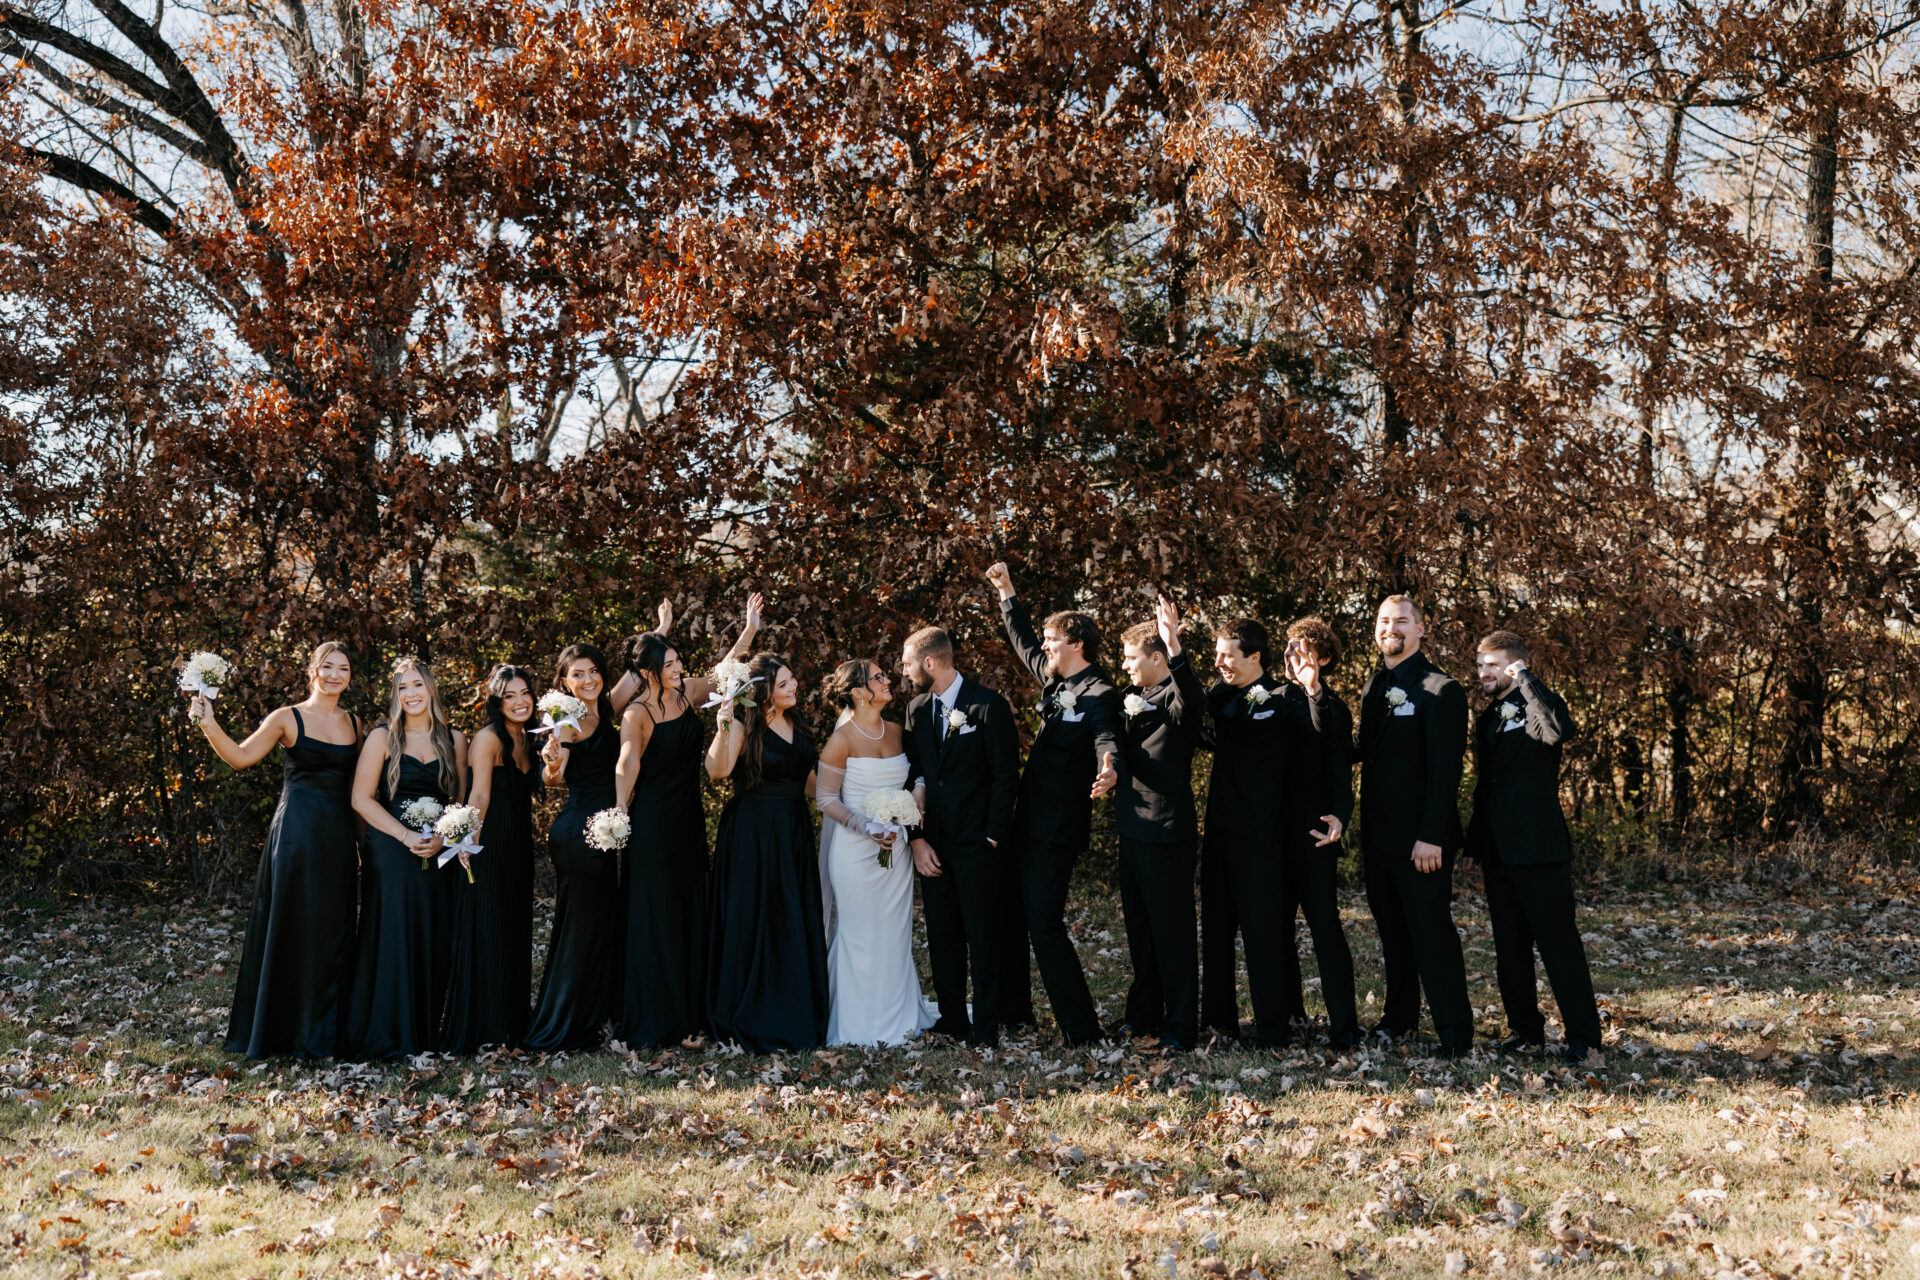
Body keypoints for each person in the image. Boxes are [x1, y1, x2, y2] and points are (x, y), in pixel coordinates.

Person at [191, 641, 361, 1060]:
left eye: (343, 668)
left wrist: (361, 844)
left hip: (338, 835)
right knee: (291, 922)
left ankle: (323, 1033)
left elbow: (359, 792)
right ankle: (278, 1031)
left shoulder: (356, 724)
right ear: (313, 671)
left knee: (332, 928)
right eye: (328, 666)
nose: (336, 674)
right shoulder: (287, 717)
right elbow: (241, 757)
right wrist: (209, 724)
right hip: (297, 834)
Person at [612, 594, 762, 1048]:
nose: (679, 669)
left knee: (688, 910)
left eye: (679, 662)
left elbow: (724, 670)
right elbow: (627, 763)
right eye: (671, 663)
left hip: (688, 819)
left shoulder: (685, 694)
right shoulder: (637, 712)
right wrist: (620, 808)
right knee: (656, 915)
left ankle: (692, 1014)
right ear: (648, 672)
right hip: (653, 825)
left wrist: (750, 627)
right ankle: (656, 1018)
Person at [984, 561, 1121, 1045]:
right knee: (1013, 918)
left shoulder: (1100, 691)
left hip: (1058, 828)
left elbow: (1106, 734)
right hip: (1027, 821)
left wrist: (1109, 765)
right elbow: (1023, 642)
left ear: (1076, 643)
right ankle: (1016, 1014)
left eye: (1053, 641)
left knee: (1044, 924)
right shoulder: (1057, 682)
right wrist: (1007, 593)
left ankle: (1082, 1031)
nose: (1045, 648)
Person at [1465, 630, 1604, 1068]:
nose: (1484, 672)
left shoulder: (1539, 703)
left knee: (1559, 945)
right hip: (1499, 853)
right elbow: (1485, 786)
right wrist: (1474, 844)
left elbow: (1556, 733)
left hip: (1539, 848)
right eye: (1481, 665)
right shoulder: (1487, 718)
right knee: (1510, 949)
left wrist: (1525, 679)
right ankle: (1526, 1032)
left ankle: (1585, 1038)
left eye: (1495, 664)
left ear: (1516, 665)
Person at [1353, 595, 1474, 1057]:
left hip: (1421, 841)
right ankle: (1398, 1020)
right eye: (1384, 621)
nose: (1391, 628)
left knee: (1432, 934)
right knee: (1393, 934)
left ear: (1421, 629)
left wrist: (1432, 835)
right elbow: (1362, 748)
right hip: (1379, 837)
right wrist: (1312, 700)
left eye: (1401, 621)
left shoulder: (1441, 689)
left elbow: (1446, 773)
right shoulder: (1375, 685)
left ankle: (1455, 1034)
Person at [901, 625, 1021, 1046]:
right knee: (941, 933)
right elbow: (913, 777)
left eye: (907, 662)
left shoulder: (988, 706)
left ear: (929, 663)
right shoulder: (916, 709)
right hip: (932, 844)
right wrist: (916, 838)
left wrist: (992, 837)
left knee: (983, 936)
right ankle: (953, 1018)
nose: (904, 670)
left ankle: (987, 1026)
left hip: (977, 845)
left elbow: (1006, 777)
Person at [704, 652, 830, 1051]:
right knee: (753, 914)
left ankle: (792, 1004)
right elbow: (717, 771)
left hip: (792, 829)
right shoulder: (742, 726)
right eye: (784, 683)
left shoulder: (798, 723)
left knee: (789, 913)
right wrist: (723, 728)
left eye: (792, 679)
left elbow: (811, 781)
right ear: (764, 692)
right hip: (752, 832)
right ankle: (748, 1007)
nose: (793, 686)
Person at [1096, 596, 1205, 1049]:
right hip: (1132, 827)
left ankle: (1180, 1028)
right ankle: (1142, 1017)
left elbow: (1192, 706)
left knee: (1172, 934)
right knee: (1140, 931)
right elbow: (1111, 739)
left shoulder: (1177, 700)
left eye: (1131, 657)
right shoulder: (1132, 699)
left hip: (1167, 833)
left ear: (1157, 657)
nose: (1125, 667)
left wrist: (1176, 642)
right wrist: (1112, 766)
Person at [345, 656, 467, 1059]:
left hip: (437, 851)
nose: (411, 694)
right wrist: (405, 835)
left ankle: (424, 1032)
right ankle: (386, 1031)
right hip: (390, 846)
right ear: (395, 695)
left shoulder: (455, 739)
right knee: (393, 932)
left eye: (417, 685)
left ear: (431, 688)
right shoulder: (383, 737)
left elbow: (460, 804)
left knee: (433, 932)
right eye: (403, 688)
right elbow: (361, 799)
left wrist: (443, 838)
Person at [815, 659, 940, 1046]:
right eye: (879, 678)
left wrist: (918, 788)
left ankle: (899, 1016)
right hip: (854, 852)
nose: (889, 681)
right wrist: (865, 825)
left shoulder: (899, 731)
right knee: (859, 934)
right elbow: (825, 798)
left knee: (894, 933)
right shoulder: (842, 739)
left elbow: (917, 771)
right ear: (858, 692)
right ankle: (855, 1023)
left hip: (895, 852)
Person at [1197, 616, 1303, 1047]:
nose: (1219, 662)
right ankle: (1219, 1022)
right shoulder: (1217, 696)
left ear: (1254, 657)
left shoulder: (1285, 697)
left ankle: (1273, 1028)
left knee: (1264, 933)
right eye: (1217, 653)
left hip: (1264, 833)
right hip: (1220, 828)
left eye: (1227, 655)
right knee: (1216, 929)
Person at [525, 643, 623, 1052]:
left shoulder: (606, 707)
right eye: (577, 674)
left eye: (593, 671)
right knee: (581, 930)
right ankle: (563, 1024)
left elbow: (640, 666)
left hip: (604, 830)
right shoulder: (565, 720)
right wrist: (550, 760)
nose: (588, 680)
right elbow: (553, 777)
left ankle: (592, 1017)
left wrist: (663, 628)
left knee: (601, 925)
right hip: (581, 833)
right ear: (564, 682)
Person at [440, 664, 541, 1054]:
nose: (520, 701)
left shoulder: (531, 737)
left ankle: (513, 1025)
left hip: (519, 843)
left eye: (525, 693)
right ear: (497, 703)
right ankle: (487, 1027)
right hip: (490, 842)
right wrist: (467, 843)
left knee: (515, 929)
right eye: (510, 696)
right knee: (489, 929)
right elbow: (478, 796)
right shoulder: (487, 739)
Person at [1276, 616, 1361, 1049]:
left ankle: (1344, 1027)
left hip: (1315, 834)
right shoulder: (1268, 697)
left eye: (1303, 650)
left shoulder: (1334, 706)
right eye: (1289, 649)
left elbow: (1338, 765)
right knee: (1276, 930)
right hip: (1270, 835)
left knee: (1324, 927)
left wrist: (1341, 816)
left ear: (1323, 658)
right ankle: (1289, 1017)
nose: (1293, 658)